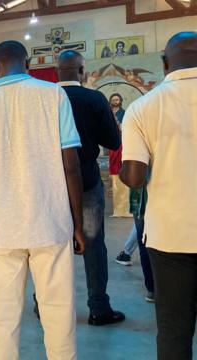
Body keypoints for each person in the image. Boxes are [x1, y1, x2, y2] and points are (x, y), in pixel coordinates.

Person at [0, 40, 85, 359]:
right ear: (27, 62)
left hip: (2, 228)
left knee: (3, 320)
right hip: (52, 222)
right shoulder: (54, 95)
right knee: (59, 315)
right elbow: (71, 165)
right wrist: (78, 225)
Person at [120, 31, 197, 360]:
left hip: (170, 237)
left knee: (173, 328)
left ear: (164, 63)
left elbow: (135, 178)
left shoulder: (142, 107)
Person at [56, 50, 125, 326]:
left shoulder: (44, 98)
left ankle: (44, 303)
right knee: (94, 244)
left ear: (57, 71)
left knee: (52, 246)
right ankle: (98, 307)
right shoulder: (94, 99)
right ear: (82, 70)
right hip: (86, 182)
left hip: (52, 186)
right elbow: (113, 141)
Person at [108, 93, 131, 218]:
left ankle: (125, 208)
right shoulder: (108, 113)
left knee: (122, 171)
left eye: (117, 99)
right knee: (115, 174)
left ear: (120, 100)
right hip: (112, 146)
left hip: (123, 144)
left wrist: (120, 127)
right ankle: (118, 208)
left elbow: (126, 127)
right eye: (113, 100)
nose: (115, 101)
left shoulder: (124, 113)